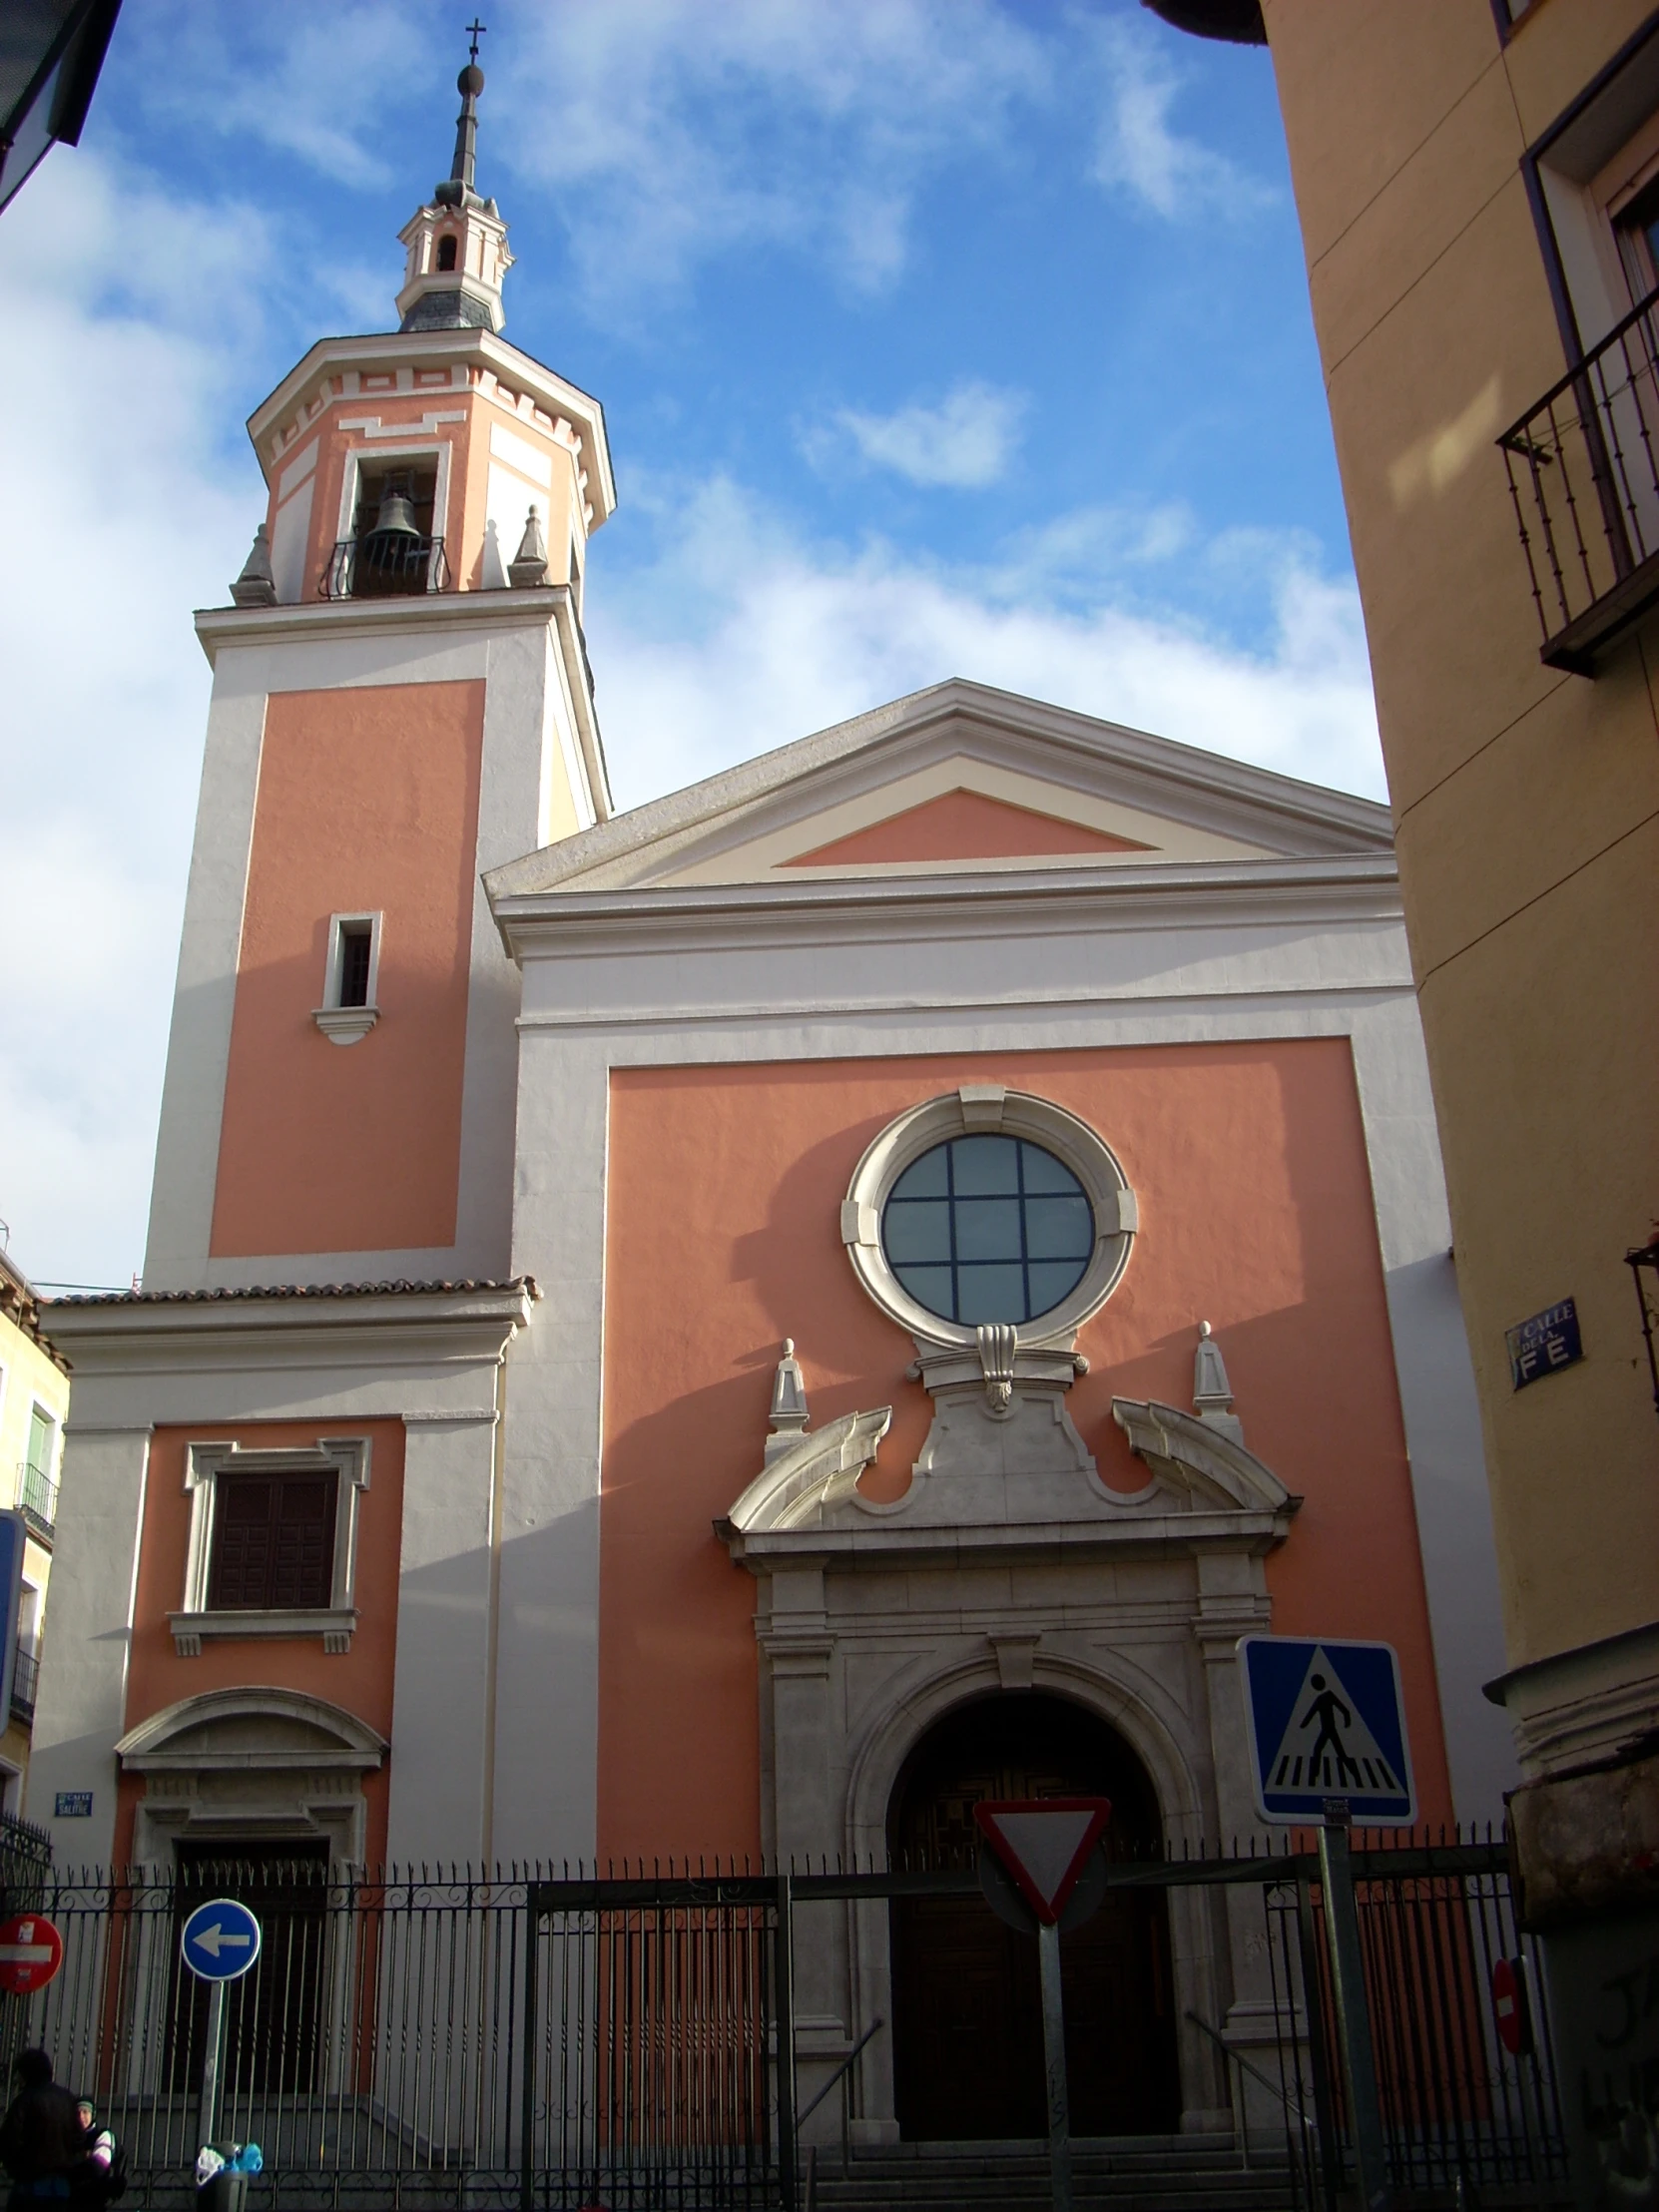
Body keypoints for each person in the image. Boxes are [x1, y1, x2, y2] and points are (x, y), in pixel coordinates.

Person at [0, 2050, 89, 2206]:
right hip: (61, 2185)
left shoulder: (25, 2100)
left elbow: (10, 2139)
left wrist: (14, 2167)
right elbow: (79, 2139)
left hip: (30, 2183)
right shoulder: (67, 2099)